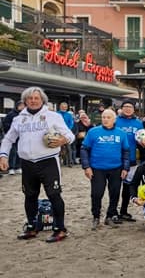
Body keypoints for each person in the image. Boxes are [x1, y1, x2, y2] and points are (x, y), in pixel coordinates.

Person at [0, 86, 75, 242]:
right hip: (27, 163)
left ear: (42, 100)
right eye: (30, 98)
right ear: (25, 100)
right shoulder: (19, 119)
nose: (33, 101)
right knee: (30, 195)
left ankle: (60, 229)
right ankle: (31, 226)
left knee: (54, 194)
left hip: (48, 162)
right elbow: (8, 139)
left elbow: (69, 135)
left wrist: (63, 140)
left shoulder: (52, 116)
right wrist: (3, 156)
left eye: (36, 98)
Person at [81, 109, 130, 229]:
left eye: (108, 117)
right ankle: (96, 216)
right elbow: (84, 149)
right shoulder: (93, 132)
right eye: (103, 117)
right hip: (97, 168)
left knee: (114, 193)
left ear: (114, 119)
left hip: (116, 168)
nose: (105, 119)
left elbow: (126, 151)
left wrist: (125, 168)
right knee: (97, 194)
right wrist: (86, 166)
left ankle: (110, 215)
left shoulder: (121, 133)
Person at [115, 99, 143, 222]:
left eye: (130, 107)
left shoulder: (138, 123)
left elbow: (141, 139)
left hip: (131, 159)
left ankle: (124, 211)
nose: (127, 109)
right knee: (115, 187)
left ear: (133, 109)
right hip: (116, 159)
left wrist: (143, 143)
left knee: (127, 187)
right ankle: (113, 212)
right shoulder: (115, 121)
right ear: (121, 108)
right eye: (125, 106)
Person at [1, 100, 25, 175]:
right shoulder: (11, 114)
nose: (22, 107)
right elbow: (5, 124)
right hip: (13, 137)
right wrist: (13, 129)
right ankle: (11, 167)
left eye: (23, 106)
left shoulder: (24, 115)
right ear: (17, 106)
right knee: (13, 153)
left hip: (21, 138)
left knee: (19, 153)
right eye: (21, 105)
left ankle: (18, 167)